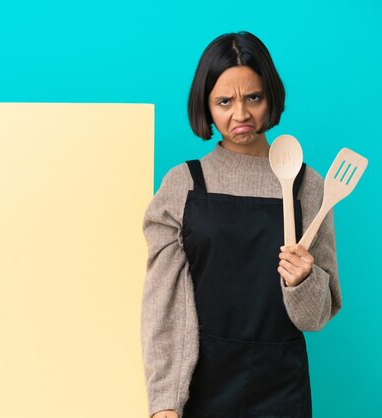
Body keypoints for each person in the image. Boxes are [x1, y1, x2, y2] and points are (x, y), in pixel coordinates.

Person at [140, 31, 342, 418]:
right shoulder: (182, 185)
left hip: (282, 388)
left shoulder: (308, 185)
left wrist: (303, 279)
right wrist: (164, 401)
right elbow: (163, 305)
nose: (241, 115)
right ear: (206, 105)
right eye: (224, 102)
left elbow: (315, 318)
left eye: (253, 97)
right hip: (201, 387)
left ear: (271, 96)